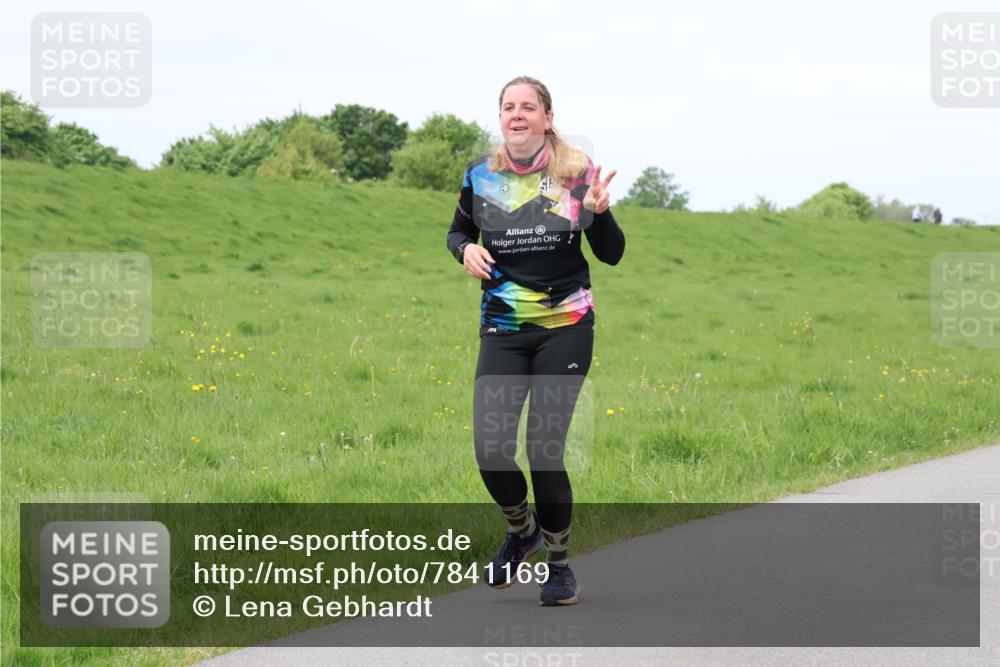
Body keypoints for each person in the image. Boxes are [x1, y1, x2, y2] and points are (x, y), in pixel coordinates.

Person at [446, 75, 625, 606]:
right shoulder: (481, 176)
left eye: (528, 107)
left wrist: (598, 211)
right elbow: (457, 232)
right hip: (502, 327)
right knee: (491, 451)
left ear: (548, 118)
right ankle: (520, 530)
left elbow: (611, 253)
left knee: (544, 450)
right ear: (500, 117)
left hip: (565, 327)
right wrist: (464, 252)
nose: (517, 114)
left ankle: (559, 565)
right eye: (508, 107)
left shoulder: (576, 174)